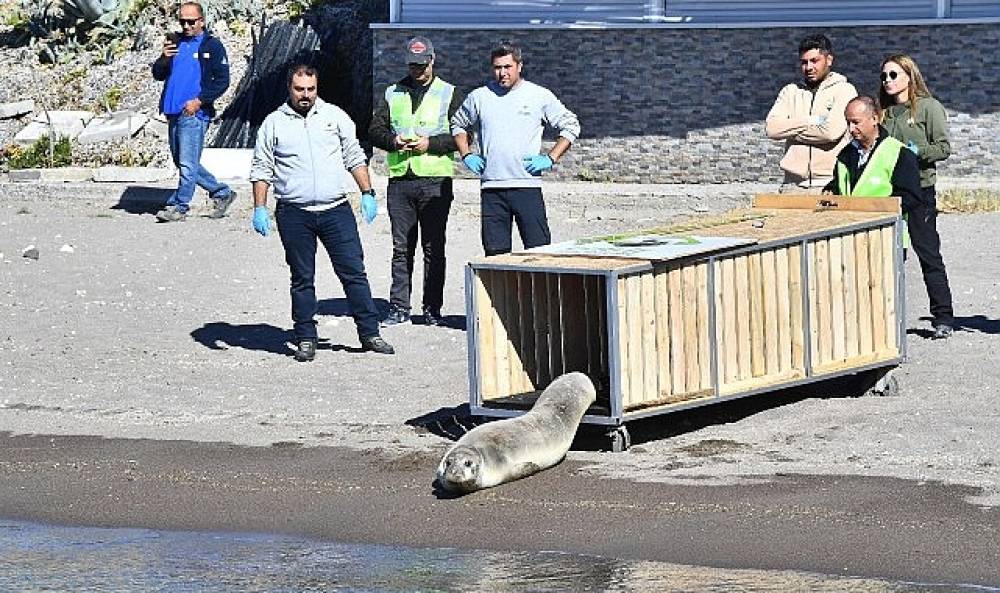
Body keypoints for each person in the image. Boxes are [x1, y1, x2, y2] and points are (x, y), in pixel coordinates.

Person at [249, 64, 394, 361]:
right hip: (294, 212)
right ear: (290, 88)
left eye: (311, 89)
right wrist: (259, 207)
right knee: (302, 277)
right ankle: (305, 337)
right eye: (299, 89)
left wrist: (367, 193)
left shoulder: (334, 117)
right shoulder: (273, 124)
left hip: (335, 210)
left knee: (354, 273)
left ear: (317, 88)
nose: (305, 95)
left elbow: (354, 155)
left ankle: (370, 333)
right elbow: (261, 167)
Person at [451, 40, 580, 256]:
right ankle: (502, 292)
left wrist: (550, 158)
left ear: (519, 66)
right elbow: (458, 124)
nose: (502, 73)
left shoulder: (539, 96)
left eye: (507, 67)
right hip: (492, 188)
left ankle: (538, 292)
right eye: (497, 67)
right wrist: (466, 154)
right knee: (495, 255)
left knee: (539, 252)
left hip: (526, 186)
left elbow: (571, 125)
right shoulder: (479, 97)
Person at [368, 36, 463, 327]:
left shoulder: (449, 93)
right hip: (401, 180)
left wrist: (430, 144)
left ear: (432, 61)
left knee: (434, 249)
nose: (417, 71)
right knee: (401, 248)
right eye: (412, 65)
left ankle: (432, 309)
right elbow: (375, 129)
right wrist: (393, 141)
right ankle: (399, 308)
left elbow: (461, 138)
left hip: (435, 180)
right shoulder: (392, 92)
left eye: (422, 65)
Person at [879, 54, 955, 340]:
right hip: (890, 194)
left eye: (894, 75)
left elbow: (943, 148)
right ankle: (887, 319)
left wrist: (914, 154)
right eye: (884, 76)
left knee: (928, 254)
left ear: (909, 76)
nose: (887, 80)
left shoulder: (928, 108)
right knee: (890, 256)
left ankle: (943, 317)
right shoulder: (883, 114)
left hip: (921, 191)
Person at [150, 1, 236, 222]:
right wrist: (164, 58)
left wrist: (199, 101)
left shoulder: (211, 46)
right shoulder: (175, 43)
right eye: (182, 21)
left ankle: (179, 207)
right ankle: (221, 192)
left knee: (187, 164)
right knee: (184, 162)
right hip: (173, 112)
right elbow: (158, 74)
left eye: (191, 21)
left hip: (194, 114)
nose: (187, 25)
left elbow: (223, 81)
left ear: (202, 21)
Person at [766, 33, 858, 194]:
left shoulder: (844, 90)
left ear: (829, 60)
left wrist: (790, 131)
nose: (809, 67)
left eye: (814, 61)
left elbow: (830, 133)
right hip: (792, 185)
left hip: (829, 184)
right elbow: (772, 129)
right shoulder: (790, 91)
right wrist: (811, 120)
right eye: (804, 62)